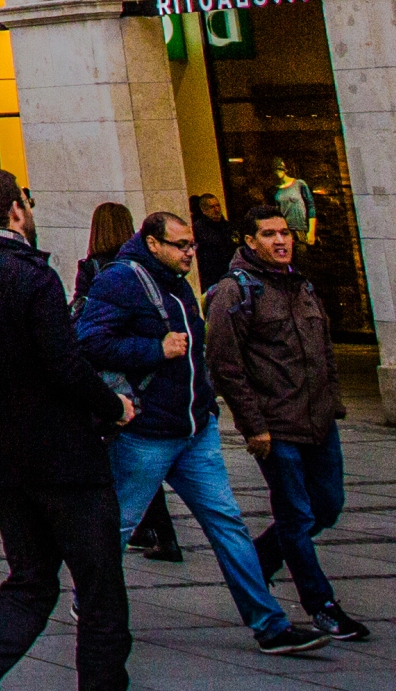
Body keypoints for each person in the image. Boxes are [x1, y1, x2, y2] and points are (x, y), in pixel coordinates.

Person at [0, 167, 169, 691]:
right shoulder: (31, 276)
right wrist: (112, 405)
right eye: (27, 203)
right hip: (65, 460)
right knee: (101, 594)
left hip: (5, 465)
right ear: (15, 210)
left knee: (30, 583)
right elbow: (64, 364)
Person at [74, 205, 327, 658]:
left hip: (194, 428)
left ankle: (270, 625)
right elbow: (87, 341)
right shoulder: (121, 279)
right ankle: (90, 600)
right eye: (181, 245)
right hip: (147, 432)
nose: (191, 252)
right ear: (153, 243)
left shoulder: (176, 282)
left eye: (192, 244)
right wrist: (155, 348)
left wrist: (205, 404)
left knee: (227, 522)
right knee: (119, 524)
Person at [205, 201, 366, 644]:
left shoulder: (302, 286)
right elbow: (225, 365)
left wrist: (332, 400)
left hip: (318, 422)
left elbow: (324, 350)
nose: (281, 241)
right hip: (276, 426)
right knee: (295, 515)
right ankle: (321, 606)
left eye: (285, 232)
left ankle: (256, 562)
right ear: (249, 241)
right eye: (270, 234)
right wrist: (253, 424)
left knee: (327, 505)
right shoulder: (234, 292)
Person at [76, 203, 184, 564]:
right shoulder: (146, 272)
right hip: (152, 386)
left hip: (122, 382)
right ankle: (159, 534)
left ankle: (122, 547)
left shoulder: (94, 268)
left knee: (129, 473)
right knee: (139, 473)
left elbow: (87, 333)